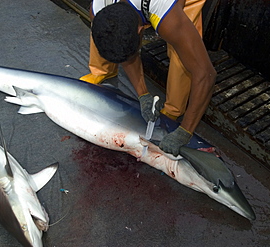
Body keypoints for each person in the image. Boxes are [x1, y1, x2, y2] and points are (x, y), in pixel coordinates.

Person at [80, 0, 216, 156]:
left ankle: (174, 109)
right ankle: (103, 71)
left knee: (183, 57)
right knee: (116, 38)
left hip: (170, 6)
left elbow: (206, 74)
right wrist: (143, 94)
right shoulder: (98, 9)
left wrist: (185, 132)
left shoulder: (168, 18)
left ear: (141, 30)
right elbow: (125, 47)